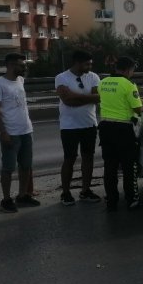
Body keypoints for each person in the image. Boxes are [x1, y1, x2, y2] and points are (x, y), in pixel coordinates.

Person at [0, 53, 38, 213]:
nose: (24, 67)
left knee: (26, 165)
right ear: (10, 65)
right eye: (21, 65)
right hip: (11, 132)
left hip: (26, 130)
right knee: (8, 167)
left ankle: (22, 195)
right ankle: (6, 199)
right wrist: (3, 132)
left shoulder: (20, 80)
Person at [55, 50, 101, 206]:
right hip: (69, 127)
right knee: (70, 158)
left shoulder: (93, 77)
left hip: (89, 124)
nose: (90, 66)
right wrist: (87, 98)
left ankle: (85, 190)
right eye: (87, 64)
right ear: (77, 63)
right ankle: (66, 192)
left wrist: (76, 96)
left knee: (88, 157)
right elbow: (67, 101)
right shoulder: (61, 77)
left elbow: (98, 98)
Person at [97, 56, 143, 211]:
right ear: (128, 69)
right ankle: (131, 199)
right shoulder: (129, 84)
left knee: (110, 166)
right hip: (124, 129)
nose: (132, 73)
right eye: (132, 70)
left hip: (105, 128)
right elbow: (138, 109)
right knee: (129, 166)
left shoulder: (102, 82)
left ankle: (111, 200)